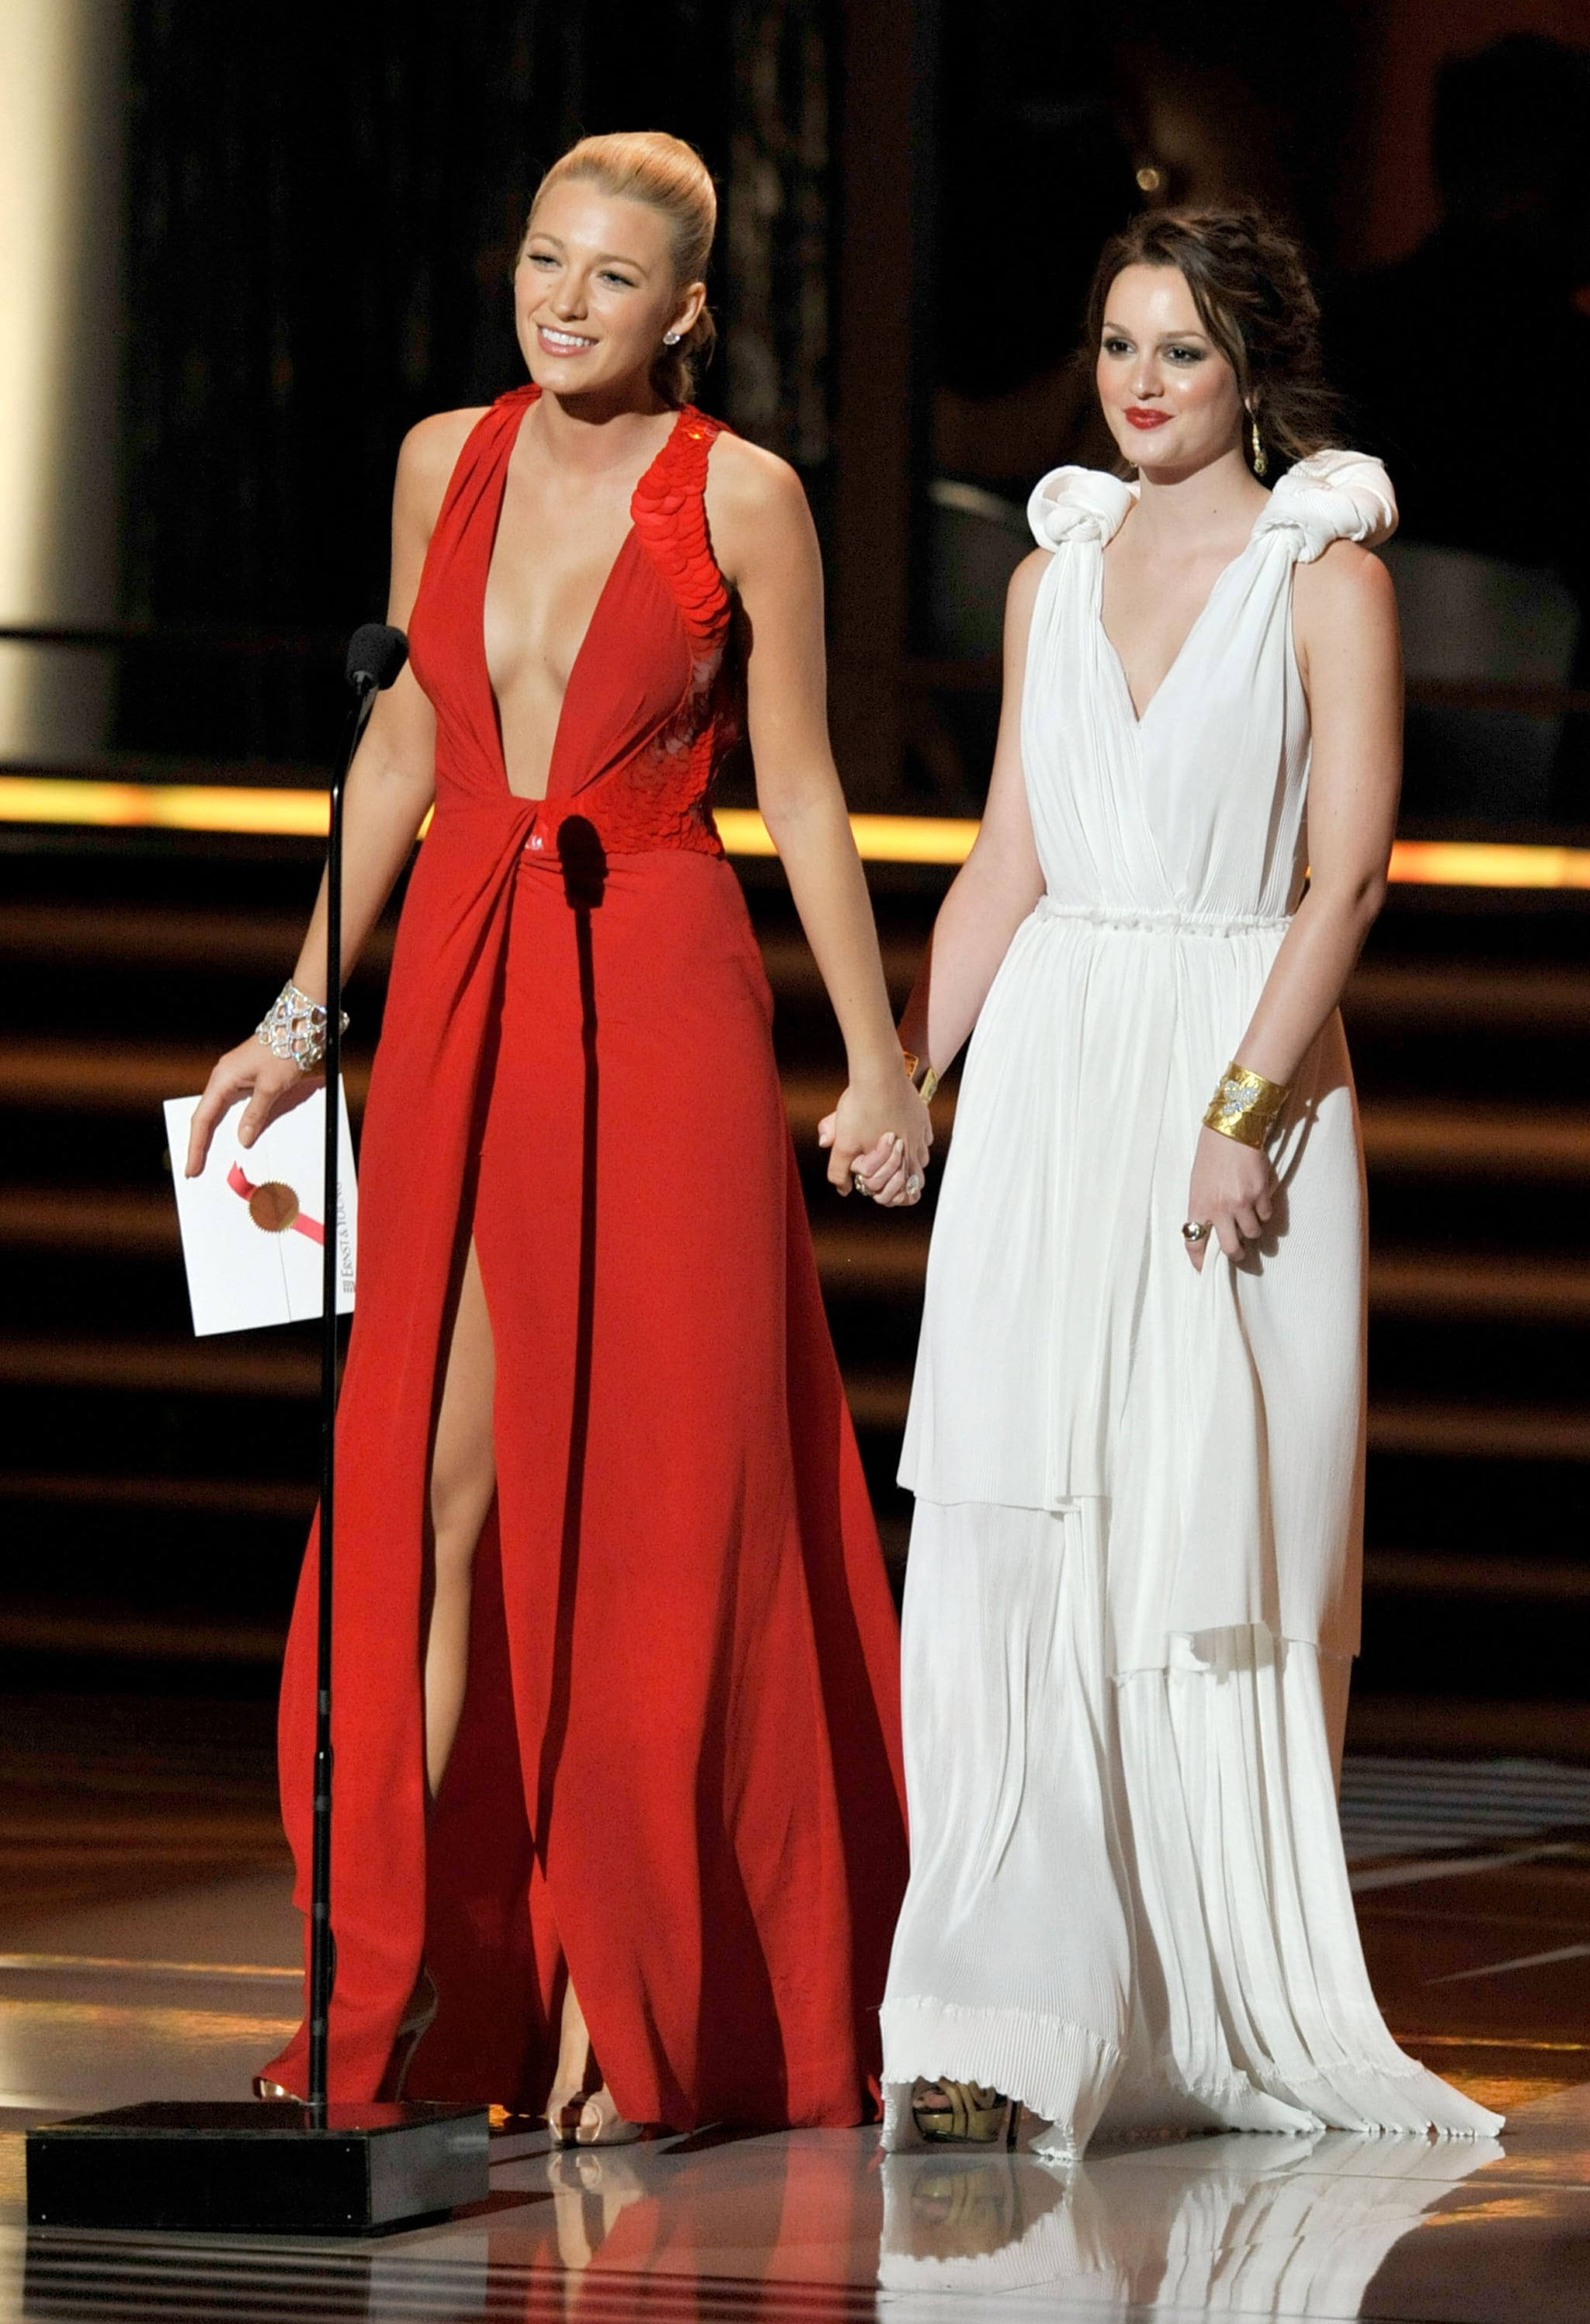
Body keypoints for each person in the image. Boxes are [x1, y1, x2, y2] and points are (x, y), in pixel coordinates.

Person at [186, 130, 926, 2142]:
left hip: (657, 991)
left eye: (609, 278)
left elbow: (802, 783)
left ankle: (641, 1987)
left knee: (660, 1506)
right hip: (457, 987)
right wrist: (295, 1007)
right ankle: (395, 1991)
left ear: (687, 308)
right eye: (542, 260)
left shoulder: (746, 496)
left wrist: (879, 1065)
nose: (562, 299)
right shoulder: (448, 458)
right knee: (428, 1489)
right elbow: (408, 744)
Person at [859, 207, 1503, 2156]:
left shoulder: (1327, 570)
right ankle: (995, 2010)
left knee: (1197, 1540)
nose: (1139, 382)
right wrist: (908, 1068)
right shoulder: (1054, 565)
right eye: (1119, 341)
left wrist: (1241, 1108)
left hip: (1240, 1055)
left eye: (1179, 352)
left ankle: (1185, 1995)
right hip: (1054, 1064)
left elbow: (1351, 875)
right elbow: (1001, 860)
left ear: (1250, 374)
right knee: (1021, 1524)